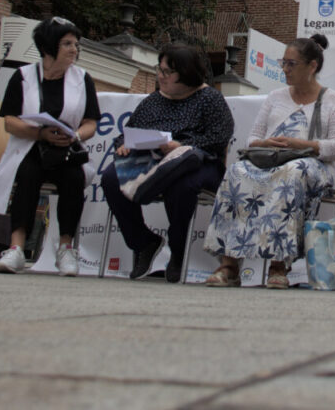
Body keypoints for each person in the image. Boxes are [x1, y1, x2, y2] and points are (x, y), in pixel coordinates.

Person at [204, 35, 335, 288]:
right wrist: (266, 143)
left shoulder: (333, 100)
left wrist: (304, 145)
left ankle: (279, 265)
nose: (285, 70)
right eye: (284, 63)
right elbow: (253, 139)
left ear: (312, 66)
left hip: (313, 165)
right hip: (272, 161)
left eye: (291, 64)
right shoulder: (275, 97)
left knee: (291, 172)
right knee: (237, 171)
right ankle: (229, 264)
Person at [100, 44, 234, 283]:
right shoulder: (154, 100)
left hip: (198, 162)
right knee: (112, 177)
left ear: (186, 74)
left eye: (166, 72)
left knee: (182, 186)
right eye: (159, 70)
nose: (160, 76)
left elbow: (219, 137)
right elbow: (128, 131)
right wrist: (125, 144)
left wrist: (180, 144)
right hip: (152, 160)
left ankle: (178, 251)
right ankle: (143, 242)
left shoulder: (210, 99)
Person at [0, 17, 98, 277]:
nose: (74, 49)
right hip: (30, 147)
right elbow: (10, 122)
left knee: (73, 178)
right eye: (67, 43)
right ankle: (17, 247)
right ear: (48, 48)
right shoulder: (23, 77)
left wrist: (75, 135)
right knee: (27, 174)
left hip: (66, 150)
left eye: (76, 44)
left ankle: (66, 249)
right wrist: (40, 133)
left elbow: (91, 122)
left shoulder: (83, 80)